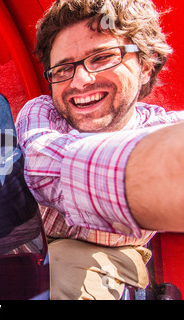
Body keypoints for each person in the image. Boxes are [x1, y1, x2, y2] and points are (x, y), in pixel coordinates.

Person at [15, 0, 184, 299]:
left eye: (103, 57)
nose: (80, 80)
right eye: (63, 68)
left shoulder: (165, 127)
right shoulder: (43, 111)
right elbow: (41, 166)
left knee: (65, 272)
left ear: (145, 65)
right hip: (23, 243)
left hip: (113, 254)